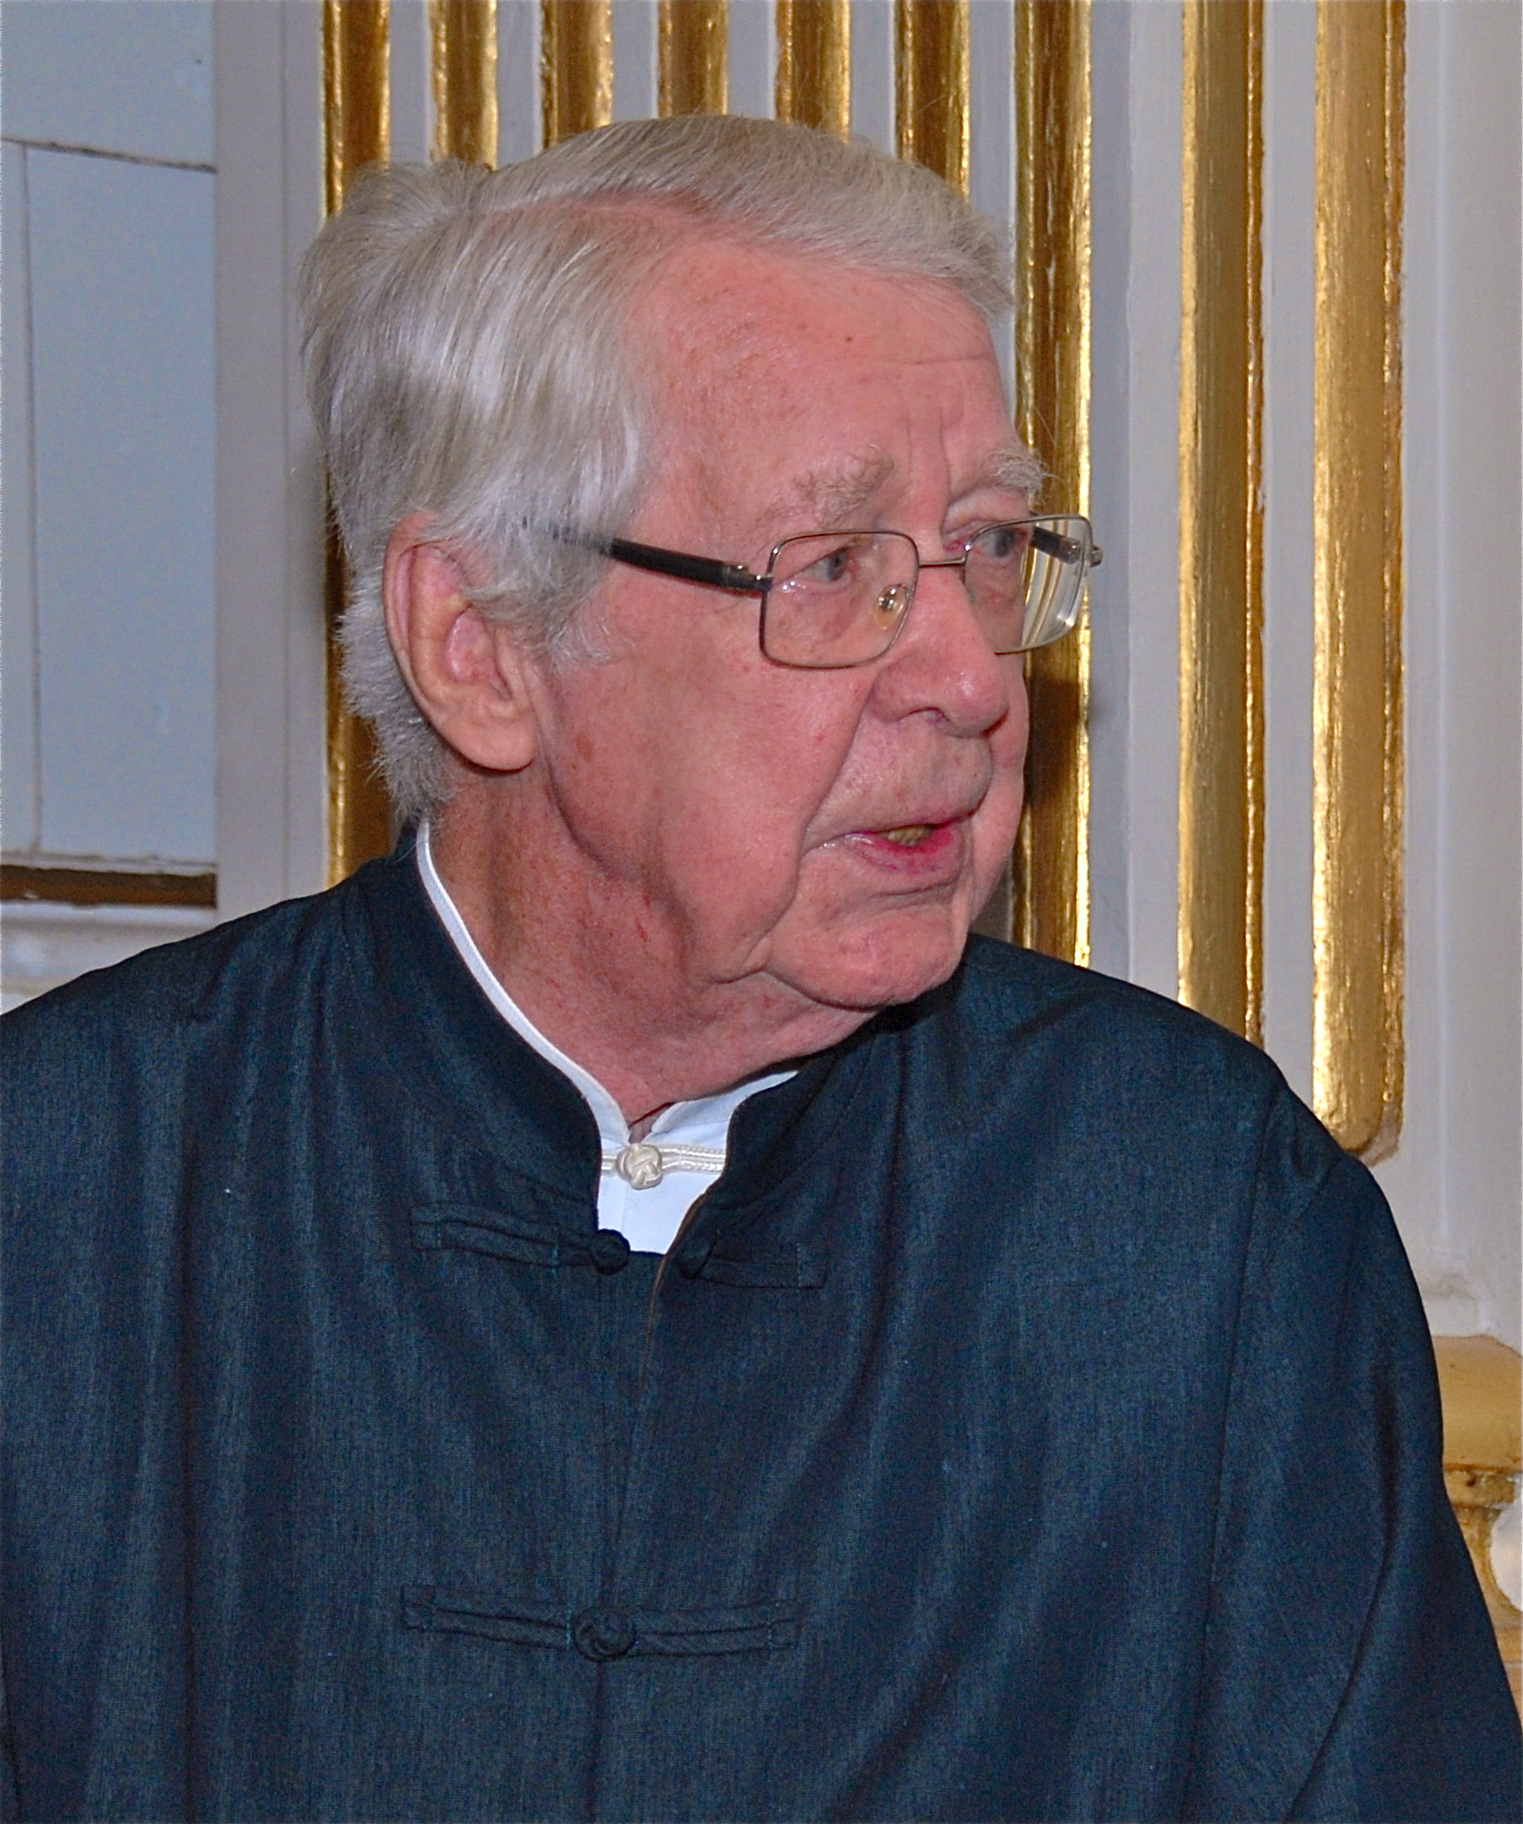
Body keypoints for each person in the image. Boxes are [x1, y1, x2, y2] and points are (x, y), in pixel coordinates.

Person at [2, 116, 1517, 1824]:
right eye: (837, 568)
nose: (967, 678)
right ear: (481, 647)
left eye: (994, 549)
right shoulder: (65, 1203)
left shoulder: (1204, 1226)